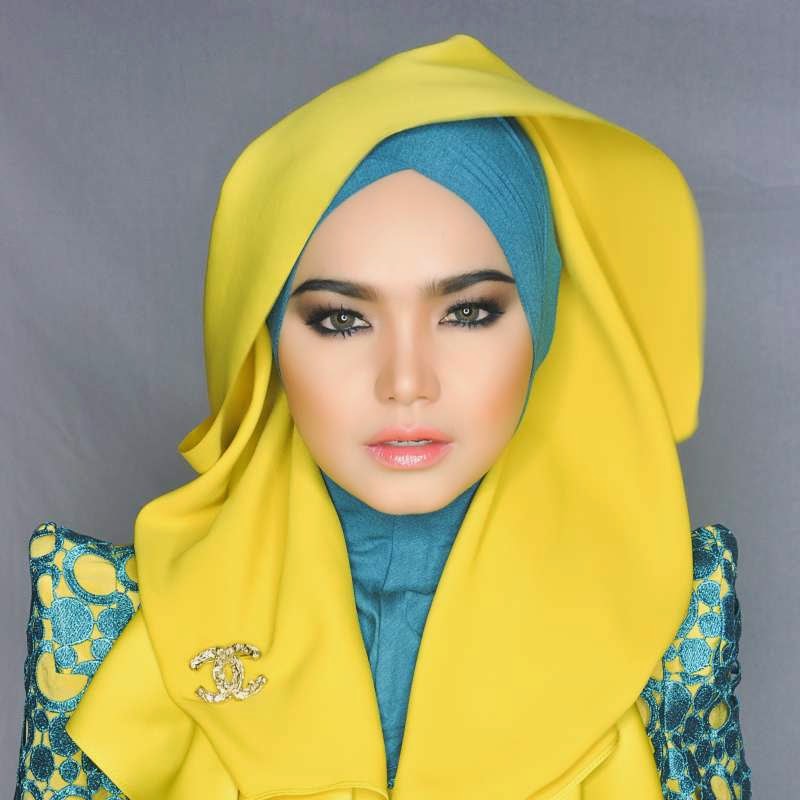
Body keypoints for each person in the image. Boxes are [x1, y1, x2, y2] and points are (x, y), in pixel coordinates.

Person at [15, 33, 751, 799]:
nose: (406, 382)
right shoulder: (102, 625)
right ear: (266, 346)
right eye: (341, 320)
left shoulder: (670, 634)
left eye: (468, 313)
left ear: (542, 327)